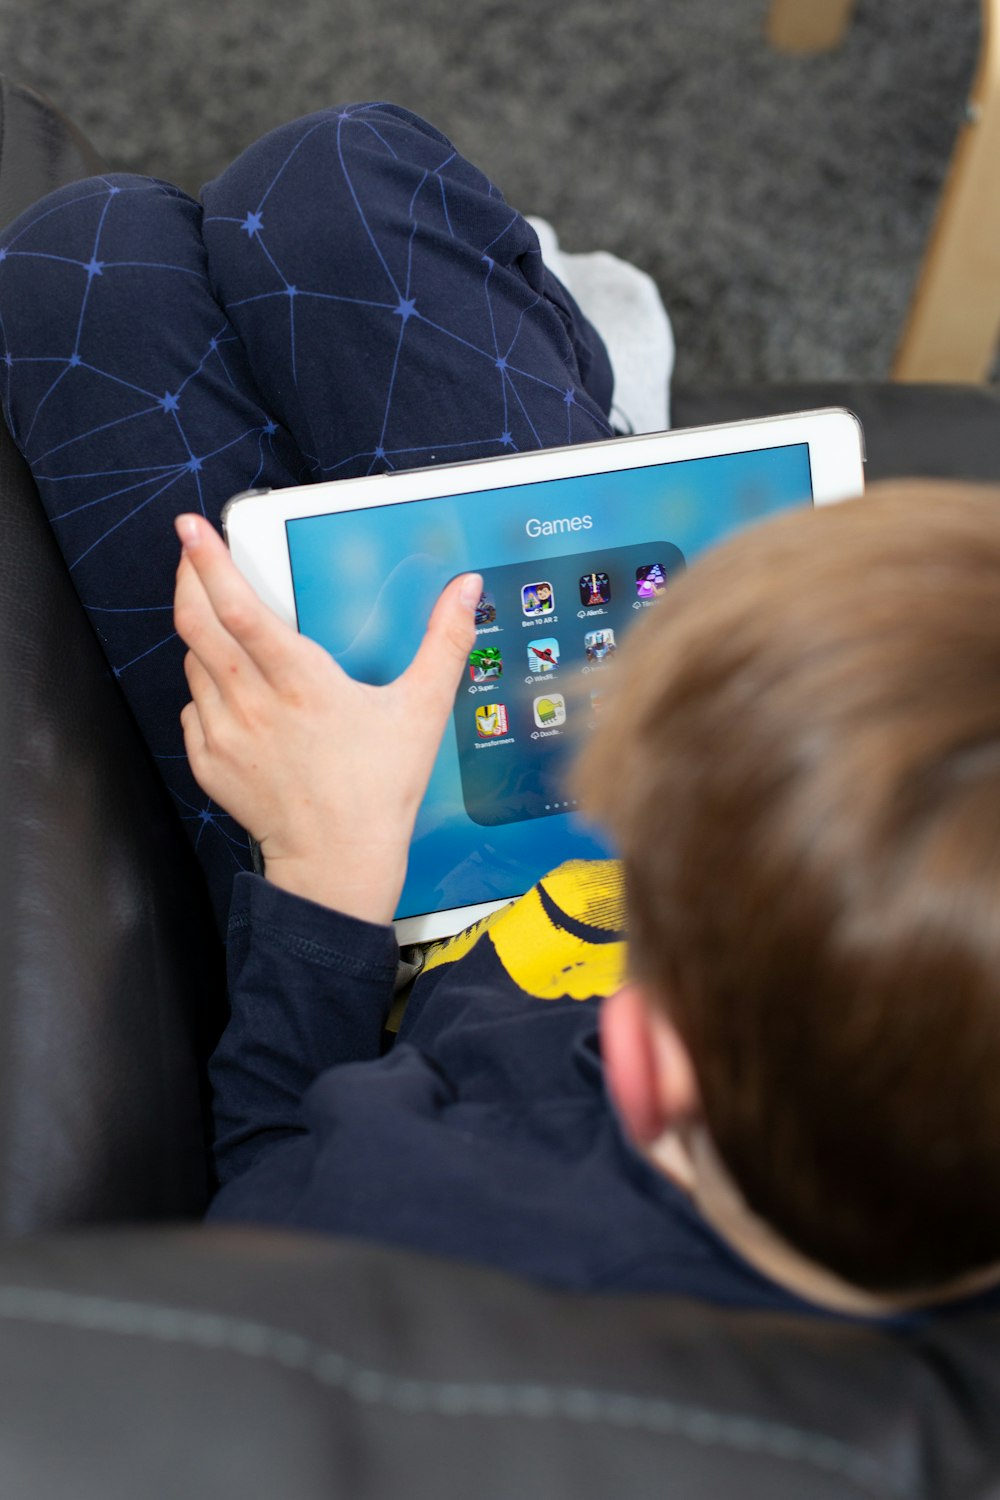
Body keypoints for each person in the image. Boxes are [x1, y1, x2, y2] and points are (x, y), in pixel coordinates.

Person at [174, 481, 1000, 1320]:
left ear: (639, 1062)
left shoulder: (405, 1211)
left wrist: (327, 874)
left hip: (362, 907)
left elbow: (265, 1188)